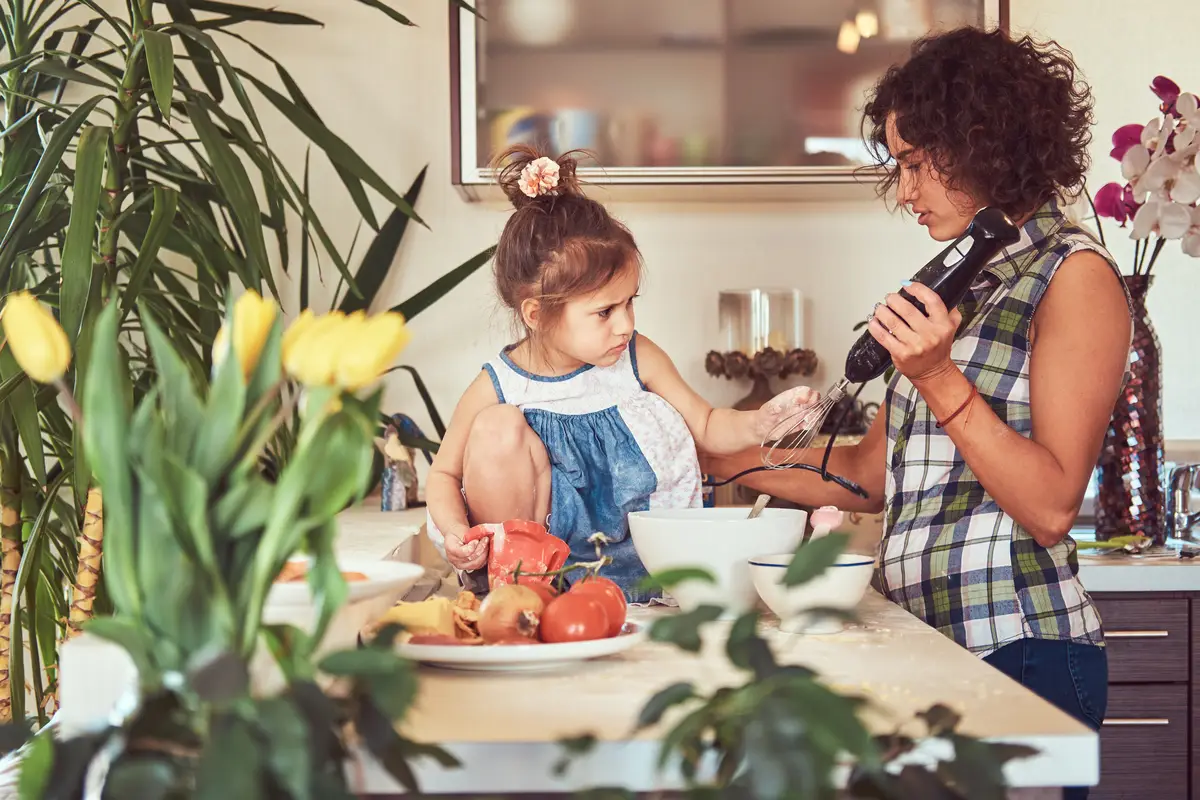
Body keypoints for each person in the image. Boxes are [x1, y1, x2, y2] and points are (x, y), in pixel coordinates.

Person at [703, 28, 1130, 798]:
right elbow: (870, 474)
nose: (903, 192)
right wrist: (720, 454)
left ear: (983, 141)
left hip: (1021, 649)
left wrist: (936, 375)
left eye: (912, 162)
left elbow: (1053, 505)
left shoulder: (1075, 277)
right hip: (930, 649)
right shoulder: (963, 280)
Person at [425, 145, 811, 602]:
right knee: (496, 426)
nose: (625, 324)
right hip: (535, 576)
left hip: (633, 570)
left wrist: (759, 423)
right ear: (536, 314)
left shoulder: (636, 357)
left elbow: (706, 425)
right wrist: (454, 532)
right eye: (605, 311)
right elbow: (443, 476)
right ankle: (518, 595)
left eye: (630, 302)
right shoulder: (499, 384)